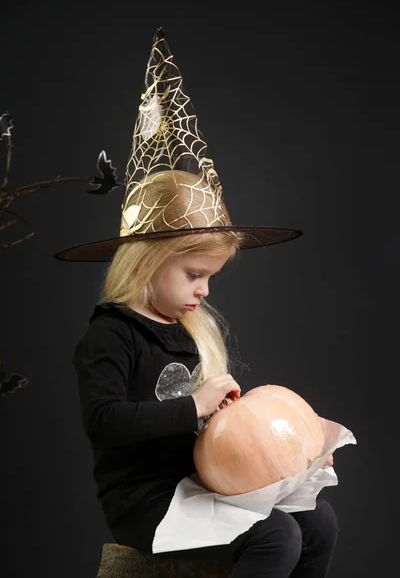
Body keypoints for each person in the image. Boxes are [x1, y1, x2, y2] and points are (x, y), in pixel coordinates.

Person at [57, 28, 339, 577]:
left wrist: (295, 455)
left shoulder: (188, 329)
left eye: (211, 276)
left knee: (318, 521)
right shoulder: (111, 334)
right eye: (194, 274)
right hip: (145, 504)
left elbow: (223, 439)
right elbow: (105, 422)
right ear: (146, 263)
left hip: (200, 485)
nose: (205, 290)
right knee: (275, 536)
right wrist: (195, 406)